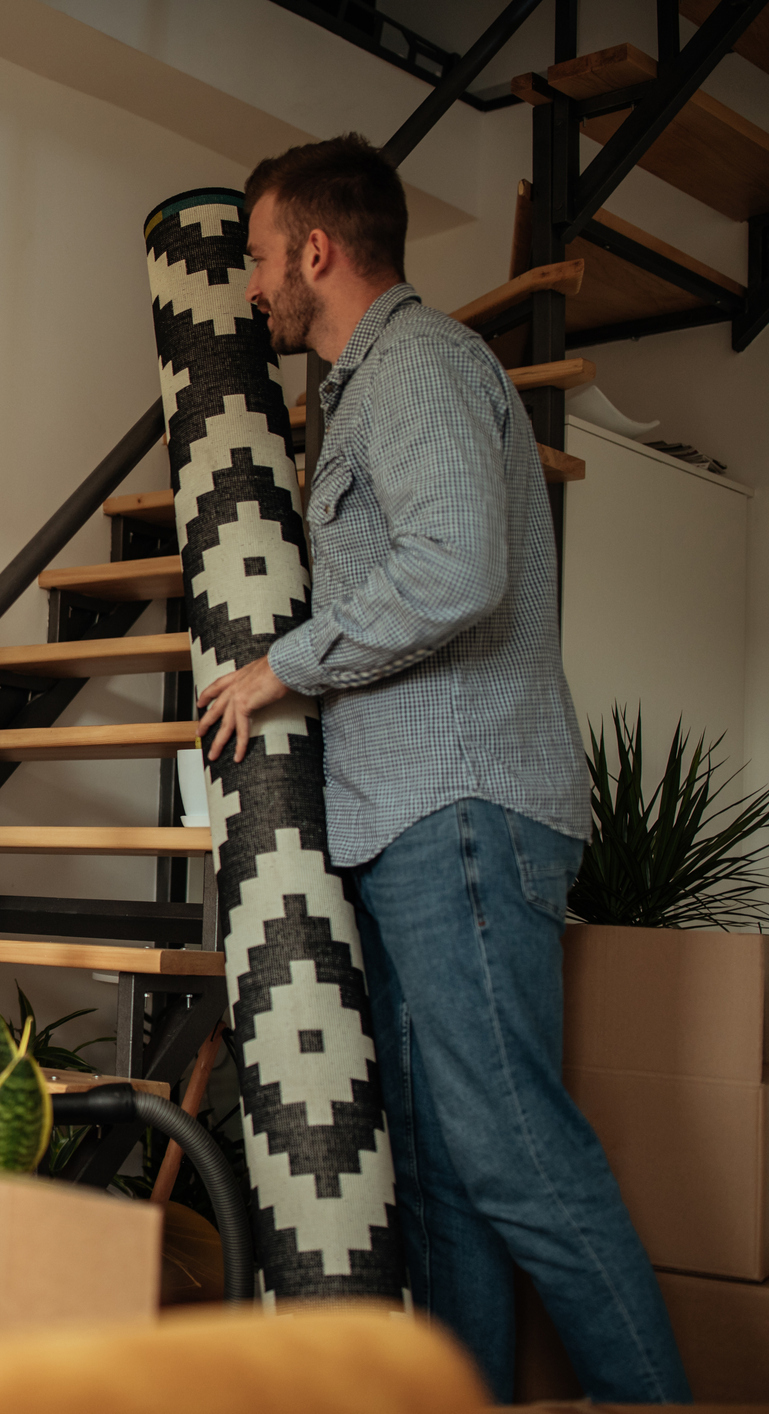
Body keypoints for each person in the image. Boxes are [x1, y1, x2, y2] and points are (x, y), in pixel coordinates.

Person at [195, 135, 687, 1403]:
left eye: (259, 259)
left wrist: (284, 664)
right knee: (449, 1175)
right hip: (412, 819)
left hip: (458, 809)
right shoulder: (368, 387)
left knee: (517, 1158)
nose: (253, 290)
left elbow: (460, 566)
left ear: (317, 249)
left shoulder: (414, 363)